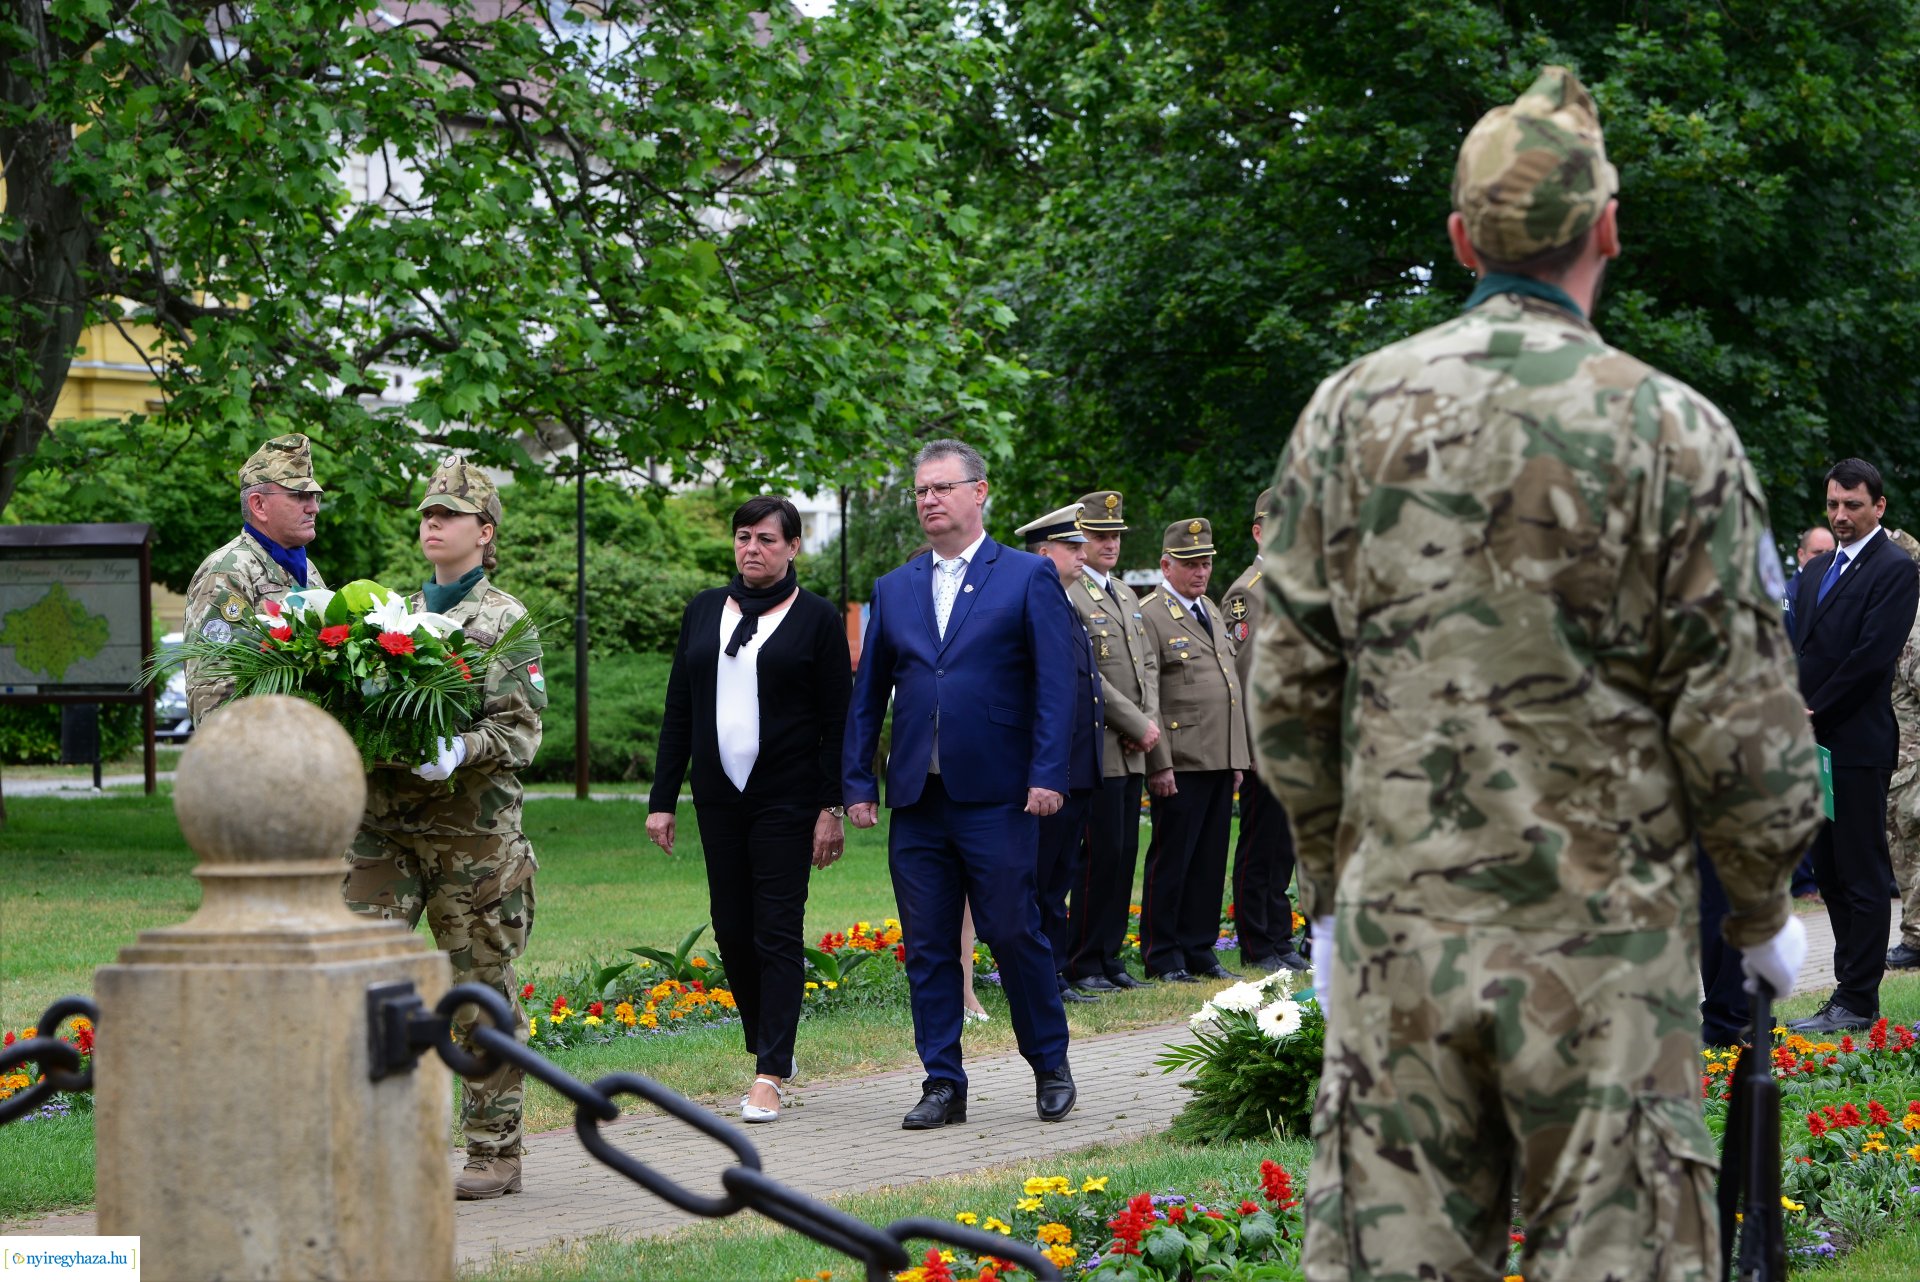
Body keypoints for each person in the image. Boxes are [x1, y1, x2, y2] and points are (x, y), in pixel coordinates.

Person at [1252, 68, 1820, 1280]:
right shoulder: (1674, 431)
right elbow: (1741, 716)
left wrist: (1329, 891)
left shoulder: (1349, 416)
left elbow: (1291, 683)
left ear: (1461, 240)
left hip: (1403, 932)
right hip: (1605, 958)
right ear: (1608, 227)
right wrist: (1763, 906)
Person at [843, 438, 1080, 1129]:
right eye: (920, 491)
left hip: (1000, 795)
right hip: (919, 797)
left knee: (1013, 931)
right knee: (927, 945)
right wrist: (858, 782)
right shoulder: (896, 587)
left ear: (980, 493)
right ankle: (943, 1082)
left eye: (942, 488)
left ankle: (1050, 1064)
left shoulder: (1026, 576)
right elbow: (868, 696)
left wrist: (1048, 774)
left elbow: (1055, 687)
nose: (929, 501)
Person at [342, 457, 546, 1200]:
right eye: (428, 513)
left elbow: (522, 731)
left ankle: (494, 1150)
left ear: (485, 534)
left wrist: (460, 749)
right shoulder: (386, 616)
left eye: (450, 515)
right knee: (362, 983)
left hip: (472, 841)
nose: (432, 523)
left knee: (477, 990)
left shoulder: (504, 620)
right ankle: (373, 1144)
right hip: (383, 832)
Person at [645, 495, 852, 1122]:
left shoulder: (816, 618)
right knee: (732, 929)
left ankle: (768, 1072)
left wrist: (831, 807)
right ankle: (769, 1050)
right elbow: (679, 706)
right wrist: (663, 800)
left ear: (793, 547)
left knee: (776, 931)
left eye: (766, 538)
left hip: (787, 798)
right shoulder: (705, 609)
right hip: (717, 796)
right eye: (743, 537)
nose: (752, 549)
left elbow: (838, 722)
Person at [1788, 458, 1920, 1032]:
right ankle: (1845, 986)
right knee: (1829, 871)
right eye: (1834, 504)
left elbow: (1870, 657)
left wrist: (1812, 709)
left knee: (1861, 872)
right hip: (1806, 746)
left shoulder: (1895, 568)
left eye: (1853, 505)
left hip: (1856, 744)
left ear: (1879, 507)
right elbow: (1796, 648)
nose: (1841, 516)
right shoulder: (1816, 571)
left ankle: (1859, 999)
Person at [1135, 518, 1248, 983]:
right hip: (1180, 759)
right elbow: (1149, 694)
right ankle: (1164, 954)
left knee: (1208, 859)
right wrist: (1158, 762)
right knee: (1173, 858)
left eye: (1205, 563)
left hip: (1219, 756)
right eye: (1190, 564)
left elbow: (1228, 686)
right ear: (1166, 565)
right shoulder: (1150, 614)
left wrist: (1237, 758)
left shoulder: (1211, 610)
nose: (1201, 572)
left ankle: (1199, 948)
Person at [1064, 490, 1161, 992]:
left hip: (1133, 749)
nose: (1109, 543)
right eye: (1099, 535)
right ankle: (1082, 961)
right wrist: (1134, 723)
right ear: (1079, 537)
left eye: (1115, 535)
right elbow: (1089, 675)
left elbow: (1147, 667)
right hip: (1101, 746)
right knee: (1096, 857)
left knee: (1123, 854)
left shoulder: (1125, 594)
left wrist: (1149, 725)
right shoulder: (1073, 591)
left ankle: (1110, 958)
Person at [1012, 502, 1105, 1006]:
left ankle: (1056, 972)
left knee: (1059, 876)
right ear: (1044, 553)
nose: (1083, 556)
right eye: (1072, 548)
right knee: (1040, 878)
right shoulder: (1034, 602)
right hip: (1050, 767)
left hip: (1076, 767)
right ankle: (1040, 975)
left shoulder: (1067, 603)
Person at [1219, 489, 1308, 973]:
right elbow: (1248, 676)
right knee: (1261, 845)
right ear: (1259, 532)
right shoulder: (1250, 590)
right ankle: (1259, 941)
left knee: (1284, 849)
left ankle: (1279, 937)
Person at [183, 433, 328, 725]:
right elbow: (212, 692)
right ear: (259, 505)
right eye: (299, 496)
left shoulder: (307, 569)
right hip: (259, 758)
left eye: (314, 496)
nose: (313, 507)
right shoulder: (228, 570)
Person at [1785, 525, 1837, 898]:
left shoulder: (1834, 587)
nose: (1823, 559)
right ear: (1802, 555)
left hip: (1823, 709)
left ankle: (1812, 878)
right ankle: (1803, 882)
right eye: (1816, 553)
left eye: (1828, 552)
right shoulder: (1788, 595)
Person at [1883, 528, 1920, 971]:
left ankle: (1915, 938)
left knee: (1911, 850)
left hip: (1911, 760)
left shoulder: (1912, 618)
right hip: (1901, 758)